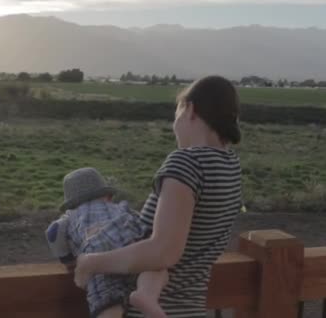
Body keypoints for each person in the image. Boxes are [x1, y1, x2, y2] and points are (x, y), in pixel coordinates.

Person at [74, 75, 243, 318]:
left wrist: (90, 262)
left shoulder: (187, 162)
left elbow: (164, 251)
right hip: (190, 309)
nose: (174, 126)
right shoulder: (231, 166)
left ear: (190, 110)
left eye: (176, 116)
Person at [45, 167, 168, 318]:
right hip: (132, 249)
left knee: (107, 302)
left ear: (70, 205)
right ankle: (146, 294)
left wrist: (68, 260)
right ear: (108, 196)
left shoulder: (70, 216)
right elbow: (140, 223)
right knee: (156, 267)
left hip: (98, 257)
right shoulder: (120, 207)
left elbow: (52, 232)